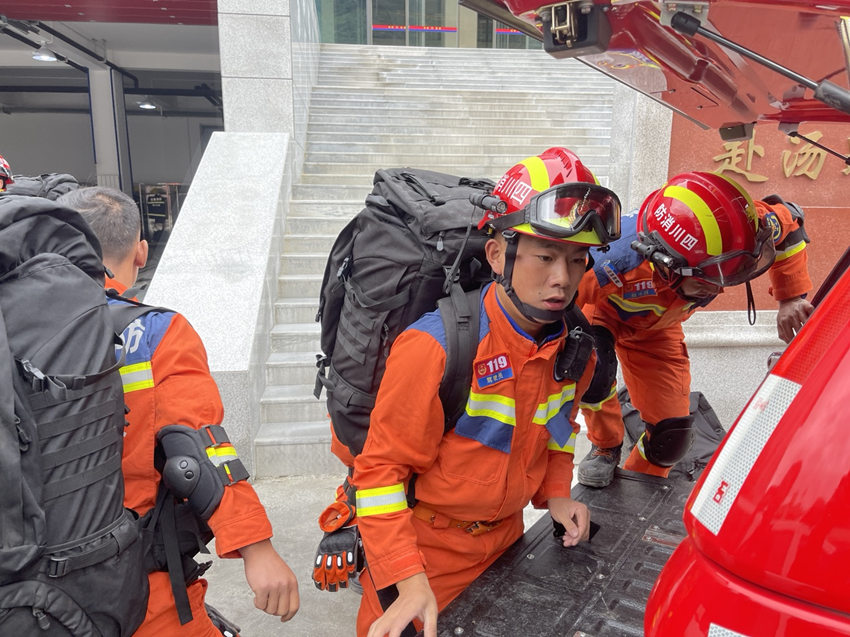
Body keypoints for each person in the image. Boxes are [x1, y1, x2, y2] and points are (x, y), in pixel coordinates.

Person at [350, 147, 622, 637]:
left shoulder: (575, 351)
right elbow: (378, 477)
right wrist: (406, 577)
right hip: (424, 556)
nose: (562, 279)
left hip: (508, 544)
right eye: (545, 257)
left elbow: (558, 433)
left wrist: (557, 496)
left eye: (577, 260)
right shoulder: (435, 348)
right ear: (498, 254)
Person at [56, 186, 300, 636]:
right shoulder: (154, 332)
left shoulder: (14, 330)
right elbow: (193, 450)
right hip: (136, 587)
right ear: (141, 252)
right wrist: (255, 546)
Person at [575, 171, 813, 487]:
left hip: (658, 329)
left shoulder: (738, 228)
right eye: (706, 281)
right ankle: (605, 446)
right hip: (602, 315)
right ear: (664, 264)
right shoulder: (608, 260)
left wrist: (790, 297)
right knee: (593, 374)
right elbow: (554, 308)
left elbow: (791, 223)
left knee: (670, 439)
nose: (718, 287)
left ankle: (638, 482)